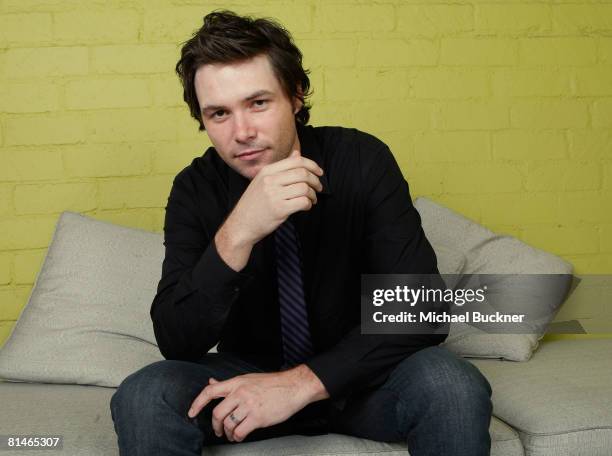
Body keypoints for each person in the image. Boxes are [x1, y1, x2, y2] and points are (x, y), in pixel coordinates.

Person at [110, 10, 493, 456]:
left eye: (258, 103)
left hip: (361, 377)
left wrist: (299, 385)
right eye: (219, 114)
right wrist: (238, 233)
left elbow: (420, 310)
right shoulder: (195, 189)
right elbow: (177, 340)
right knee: (144, 394)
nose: (242, 133)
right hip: (245, 380)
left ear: (295, 95)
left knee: (451, 382)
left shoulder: (361, 159)